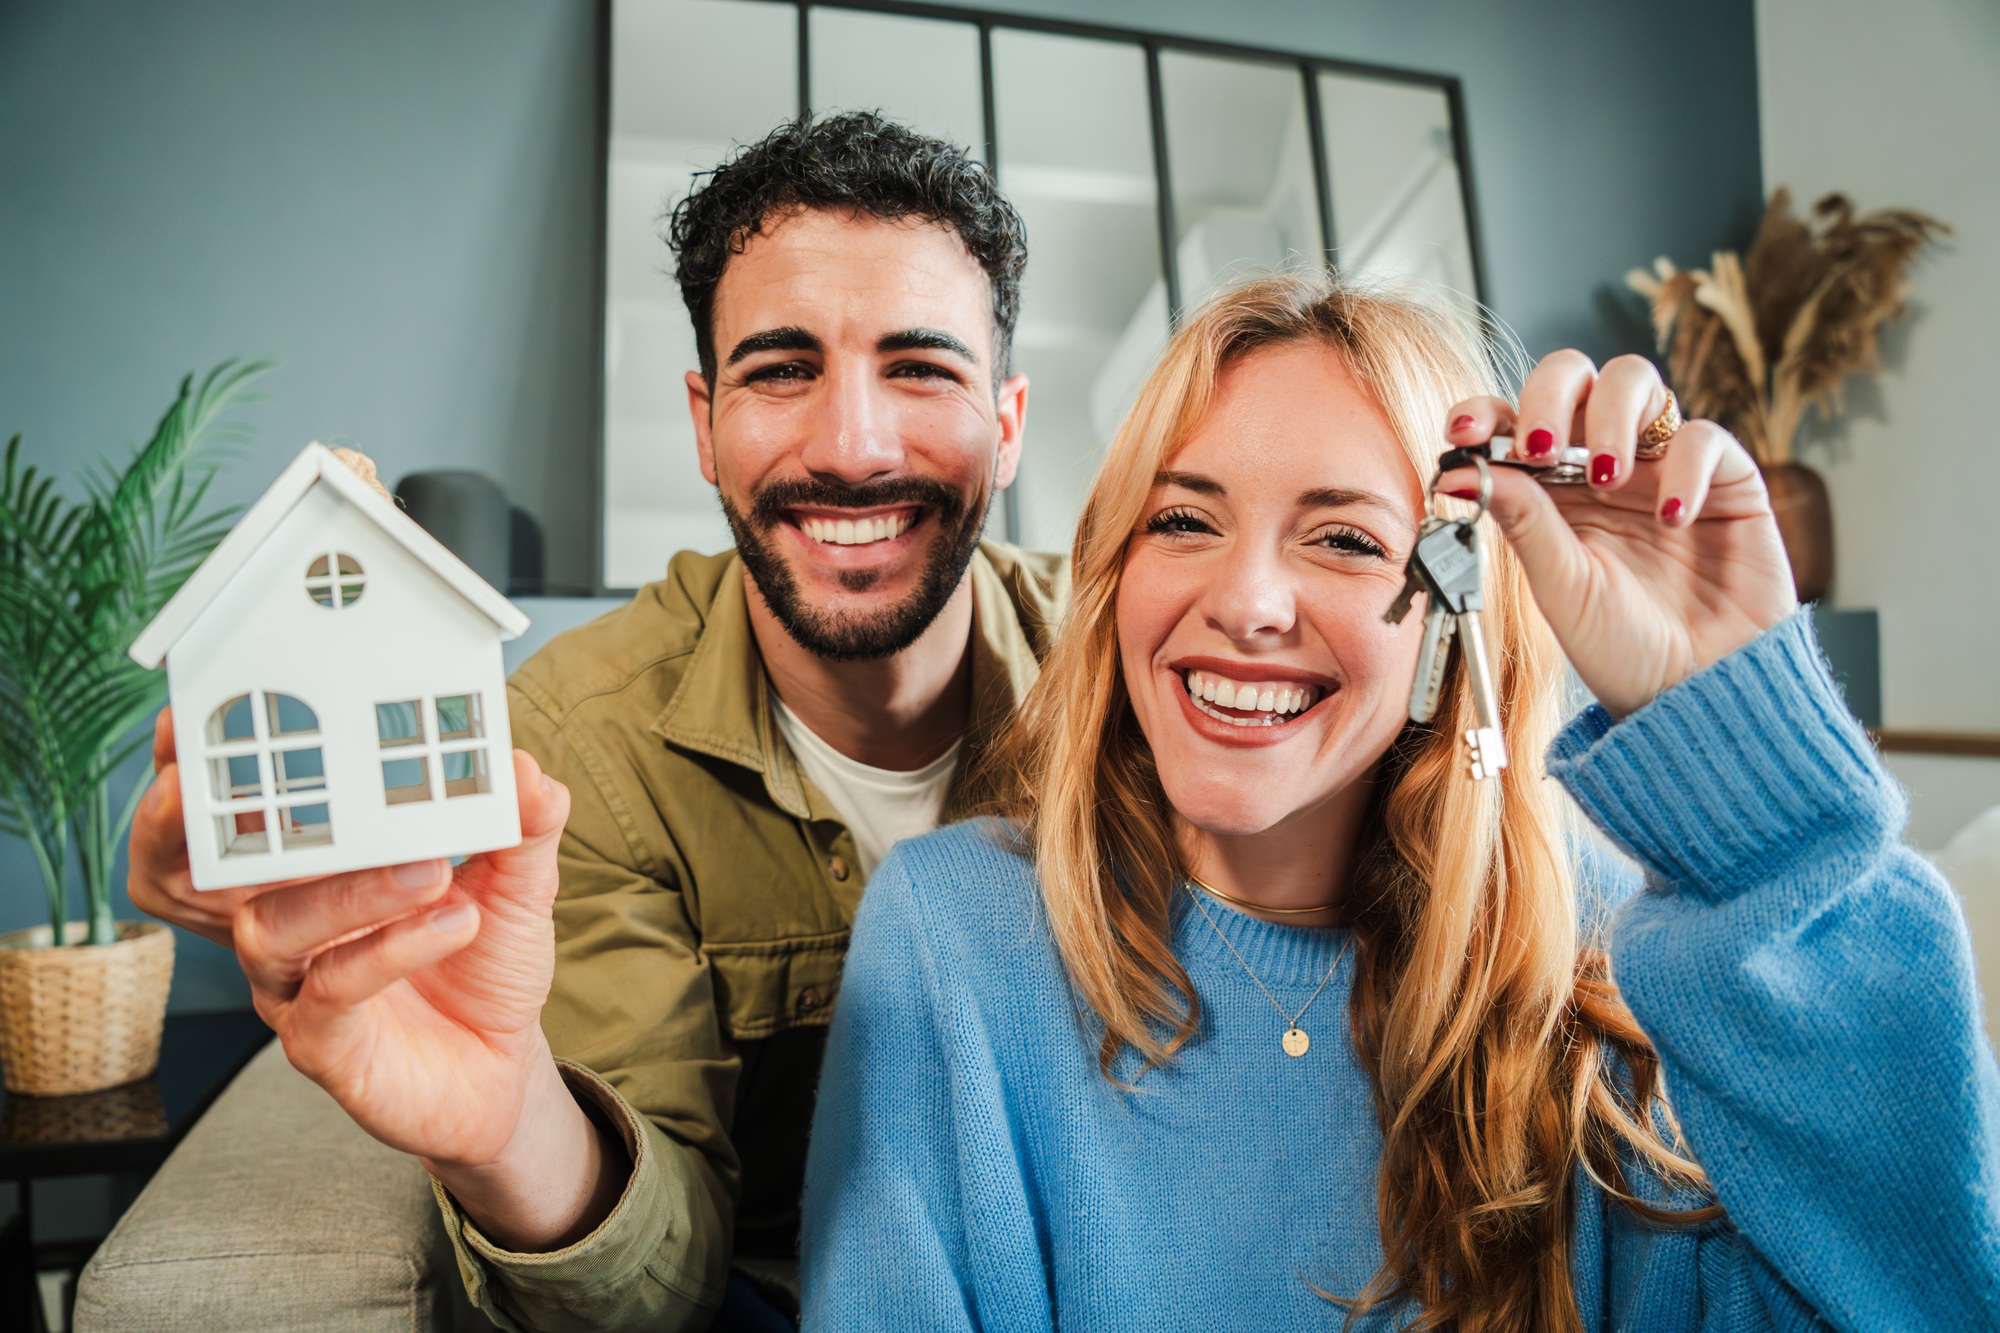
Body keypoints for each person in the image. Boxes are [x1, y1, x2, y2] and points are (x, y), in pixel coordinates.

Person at [799, 273, 2000, 1330]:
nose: (1248, 600)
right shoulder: (954, 933)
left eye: (1343, 540)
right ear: (1115, 571)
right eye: (1182, 520)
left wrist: (1757, 795)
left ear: (1449, 619)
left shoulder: (1609, 969)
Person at [126, 113, 1062, 1332]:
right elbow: (662, 1280)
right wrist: (506, 1120)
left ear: (1006, 418)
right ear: (702, 423)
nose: (850, 445)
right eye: (780, 368)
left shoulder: (1140, 664)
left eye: (920, 367)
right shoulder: (573, 744)